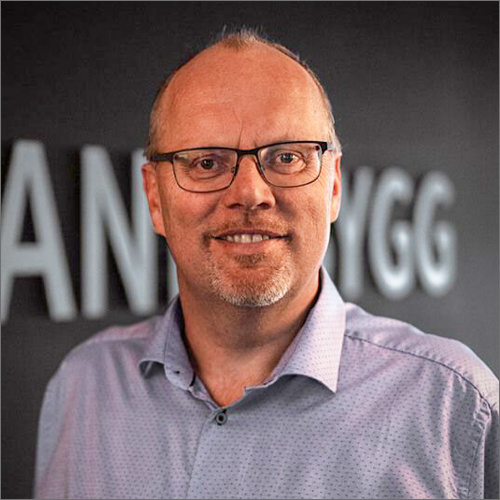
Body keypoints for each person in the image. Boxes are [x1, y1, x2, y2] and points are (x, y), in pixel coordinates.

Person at [34, 29, 498, 499]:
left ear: (333, 187)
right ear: (155, 197)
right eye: (207, 163)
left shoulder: (455, 409)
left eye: (287, 157)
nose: (250, 193)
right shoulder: (83, 388)